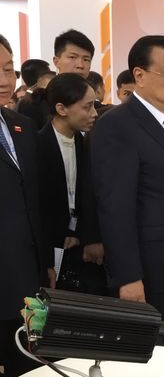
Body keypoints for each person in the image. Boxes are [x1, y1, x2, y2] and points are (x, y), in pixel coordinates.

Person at [91, 35, 164, 321]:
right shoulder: (117, 125)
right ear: (139, 75)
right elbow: (115, 209)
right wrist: (128, 277)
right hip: (150, 274)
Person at [0, 34, 45, 377]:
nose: (4, 79)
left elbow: (35, 199)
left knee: (29, 374)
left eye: (8, 69)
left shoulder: (22, 126)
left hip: (28, 278)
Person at [37, 73, 106, 294]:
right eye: (87, 107)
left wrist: (87, 236)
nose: (94, 113)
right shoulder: (36, 145)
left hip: (81, 249)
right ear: (61, 109)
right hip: (49, 250)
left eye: (94, 105)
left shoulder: (87, 143)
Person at [18, 30, 95, 129]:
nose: (80, 65)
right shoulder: (34, 104)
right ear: (56, 61)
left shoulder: (96, 109)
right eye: (72, 57)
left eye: (86, 59)